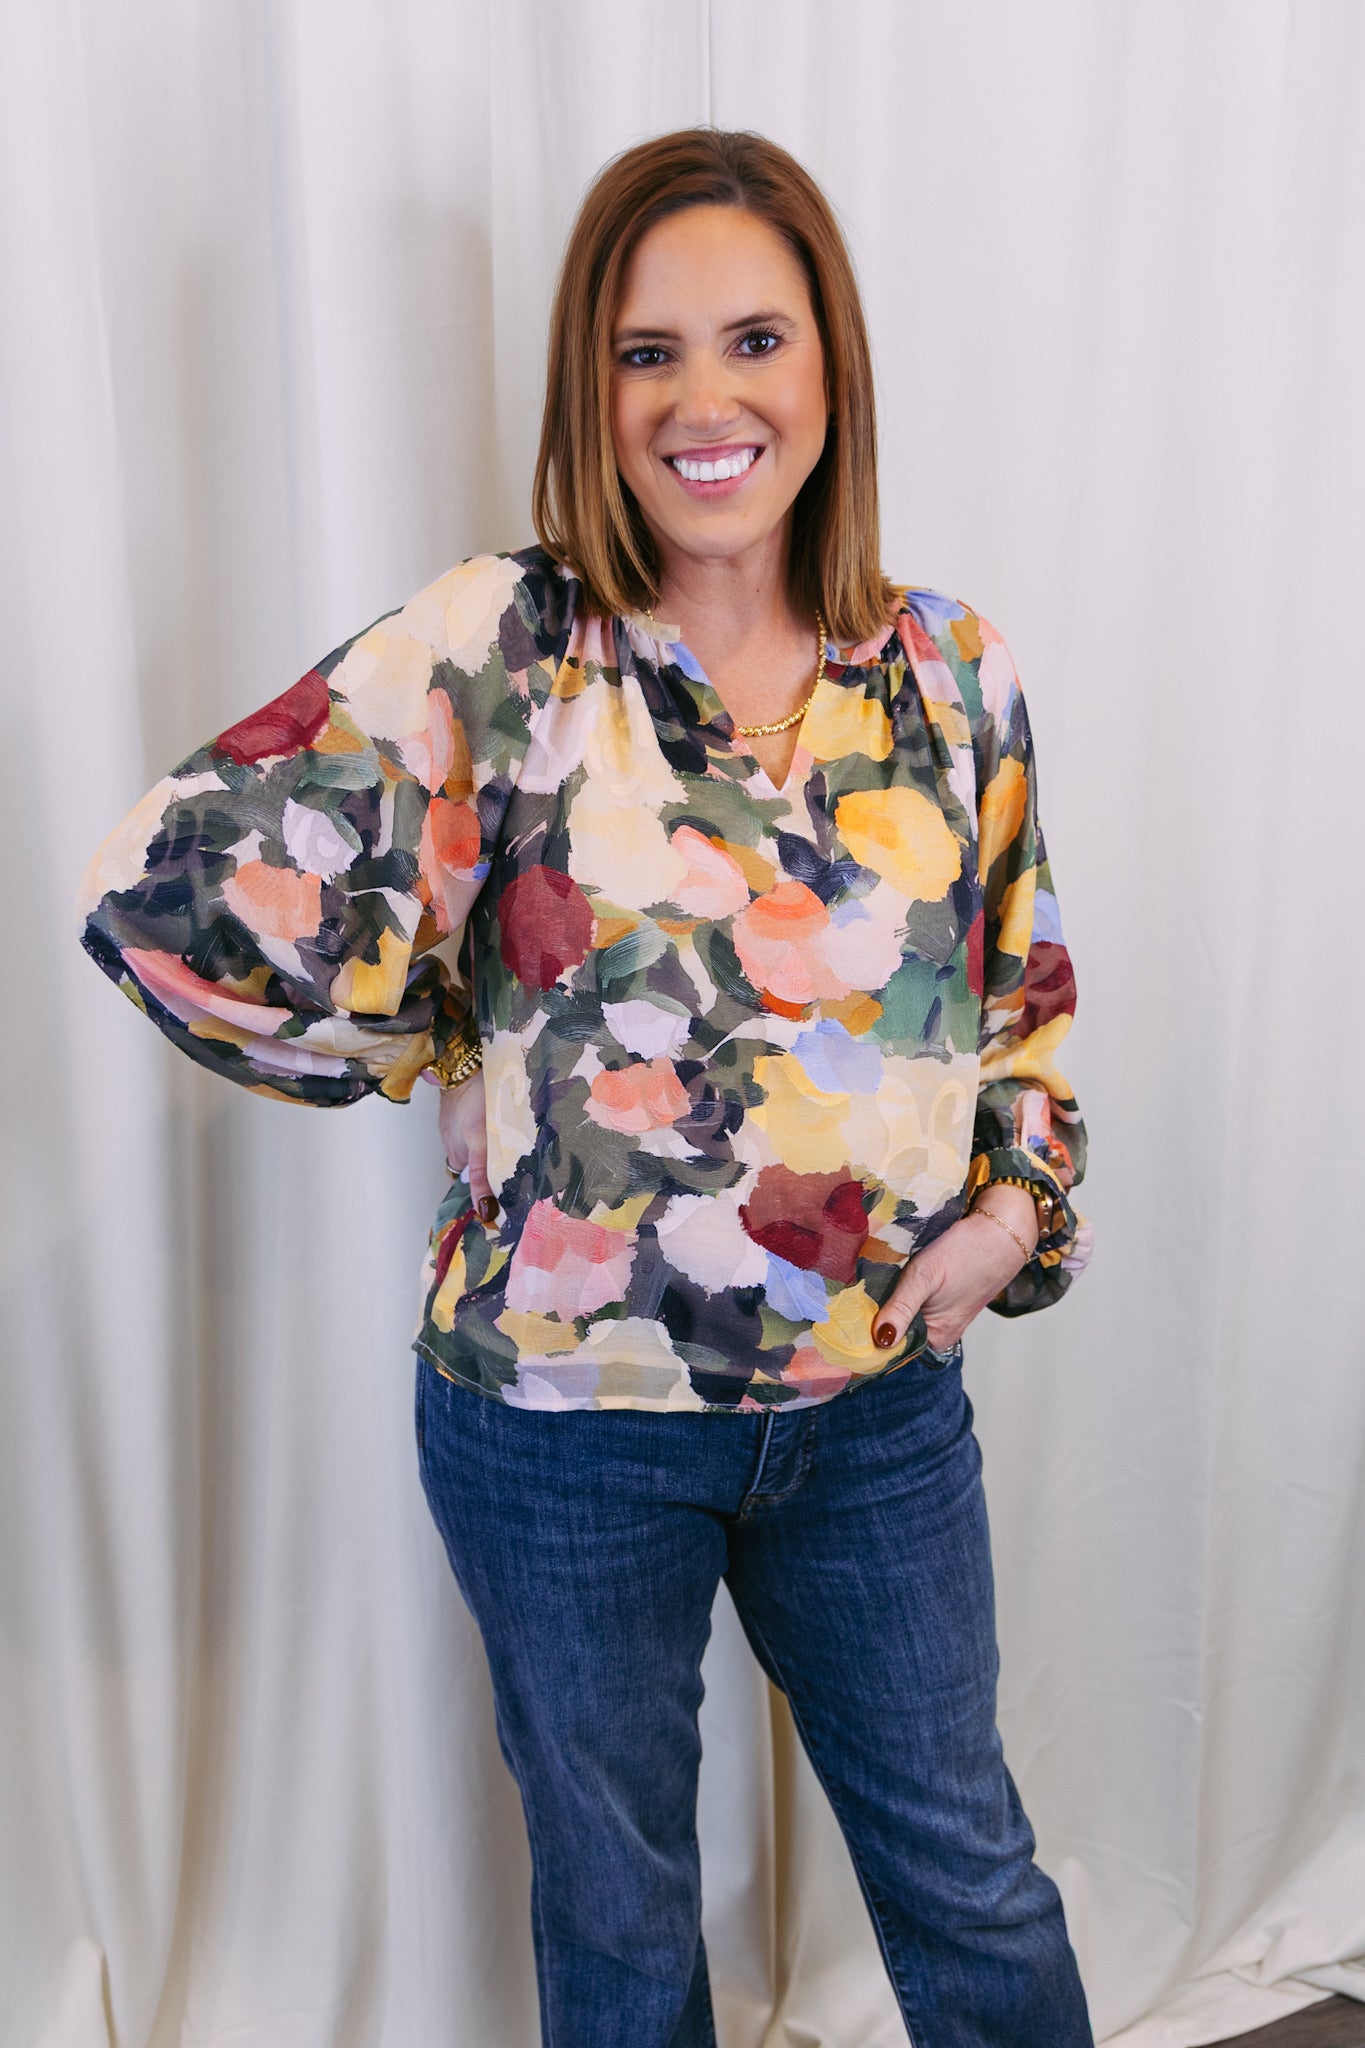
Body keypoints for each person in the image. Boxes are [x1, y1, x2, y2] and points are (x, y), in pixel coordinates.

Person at [80, 127, 1093, 2048]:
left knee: (968, 1880)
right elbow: (169, 892)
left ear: (828, 373)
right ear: (589, 388)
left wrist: (1008, 1221)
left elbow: (1023, 996)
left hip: (876, 1409)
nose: (703, 402)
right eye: (645, 355)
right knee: (621, 1930)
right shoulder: (505, 647)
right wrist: (399, 1041)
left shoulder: (952, 671)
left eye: (750, 342)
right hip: (562, 1437)